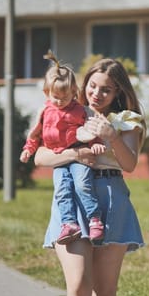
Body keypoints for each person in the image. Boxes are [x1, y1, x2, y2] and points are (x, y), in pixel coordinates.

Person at [34, 58, 146, 296]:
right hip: (71, 201)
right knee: (78, 284)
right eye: (92, 86)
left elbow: (129, 164)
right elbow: (40, 156)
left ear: (118, 91)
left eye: (106, 89)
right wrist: (76, 155)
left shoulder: (126, 120)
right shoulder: (68, 111)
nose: (96, 94)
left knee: (105, 291)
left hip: (111, 200)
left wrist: (112, 136)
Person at [20, 51, 106, 244]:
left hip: (78, 150)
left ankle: (94, 220)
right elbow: (36, 134)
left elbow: (88, 130)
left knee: (82, 183)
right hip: (58, 158)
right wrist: (28, 149)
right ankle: (69, 224)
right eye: (55, 96)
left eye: (64, 96)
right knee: (62, 189)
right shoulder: (45, 112)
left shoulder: (80, 111)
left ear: (74, 91)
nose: (60, 101)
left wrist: (96, 143)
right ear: (47, 93)